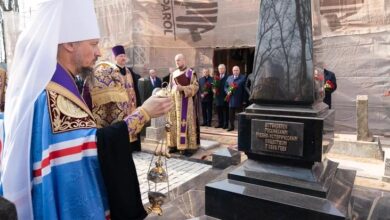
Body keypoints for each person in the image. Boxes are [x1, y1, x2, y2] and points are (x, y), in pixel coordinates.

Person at [0, 0, 173, 219]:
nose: (99, 52)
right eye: (93, 44)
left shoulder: (55, 83)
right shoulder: (53, 95)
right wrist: (144, 112)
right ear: (69, 44)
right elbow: (88, 147)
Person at [112, 45, 143, 151]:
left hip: (132, 105)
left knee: (133, 123)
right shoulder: (112, 71)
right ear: (115, 57)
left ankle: (133, 146)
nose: (123, 58)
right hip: (120, 106)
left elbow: (136, 88)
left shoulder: (129, 71)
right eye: (120, 56)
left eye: (124, 56)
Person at [167, 54, 199, 156]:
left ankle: (186, 147)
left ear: (184, 60)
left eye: (179, 60)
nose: (177, 62)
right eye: (176, 61)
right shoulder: (173, 73)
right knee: (173, 123)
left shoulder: (191, 73)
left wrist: (184, 88)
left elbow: (195, 87)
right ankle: (174, 145)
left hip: (185, 102)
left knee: (185, 123)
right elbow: (170, 87)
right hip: (173, 103)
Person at [224, 66, 245, 131]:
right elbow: (225, 86)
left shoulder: (243, 78)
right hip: (231, 99)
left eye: (237, 70)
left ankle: (241, 127)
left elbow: (244, 89)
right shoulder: (229, 78)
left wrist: (244, 99)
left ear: (239, 71)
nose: (235, 71)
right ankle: (231, 126)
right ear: (232, 71)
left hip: (239, 99)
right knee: (231, 114)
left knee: (240, 114)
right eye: (234, 70)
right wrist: (227, 91)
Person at [214, 64, 229, 129]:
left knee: (225, 111)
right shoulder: (216, 77)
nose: (221, 70)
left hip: (224, 97)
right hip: (217, 97)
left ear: (225, 69)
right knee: (219, 111)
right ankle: (220, 123)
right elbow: (213, 85)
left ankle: (225, 124)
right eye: (219, 69)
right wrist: (213, 89)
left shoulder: (228, 77)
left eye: (222, 68)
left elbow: (229, 87)